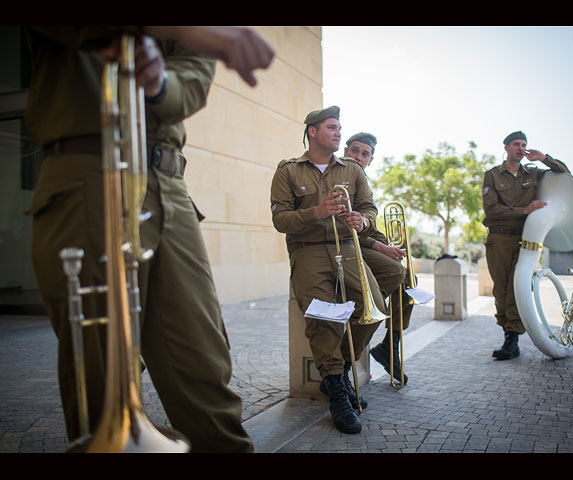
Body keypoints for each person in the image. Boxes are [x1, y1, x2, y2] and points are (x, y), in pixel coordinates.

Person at [23, 26, 274, 452]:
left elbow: (192, 83)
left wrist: (159, 82)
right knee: (101, 376)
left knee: (204, 369)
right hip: (86, 167)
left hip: (168, 184)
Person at [270, 107, 391, 434]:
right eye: (332, 128)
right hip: (308, 250)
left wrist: (362, 220)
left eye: (340, 128)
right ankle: (338, 388)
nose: (339, 133)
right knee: (324, 314)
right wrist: (316, 212)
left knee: (374, 307)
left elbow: (369, 209)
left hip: (348, 248)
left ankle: (334, 371)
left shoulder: (352, 170)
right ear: (312, 131)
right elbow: (280, 220)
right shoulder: (289, 171)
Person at [481, 131, 570, 360]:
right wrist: (524, 210)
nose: (521, 148)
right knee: (500, 289)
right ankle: (508, 332)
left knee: (516, 289)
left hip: (526, 238)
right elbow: (491, 209)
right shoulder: (491, 176)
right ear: (506, 147)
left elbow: (564, 173)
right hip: (499, 238)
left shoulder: (534, 173)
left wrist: (544, 158)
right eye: (516, 144)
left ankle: (512, 339)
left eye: (524, 145)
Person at [342, 132, 411, 385]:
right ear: (346, 150)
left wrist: (388, 243)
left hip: (366, 242)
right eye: (355, 150)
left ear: (371, 159)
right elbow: (342, 227)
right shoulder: (338, 175)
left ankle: (390, 344)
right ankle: (370, 304)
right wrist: (380, 248)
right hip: (348, 246)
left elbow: (368, 221)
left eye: (365, 154)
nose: (358, 157)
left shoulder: (363, 180)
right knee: (396, 272)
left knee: (407, 280)